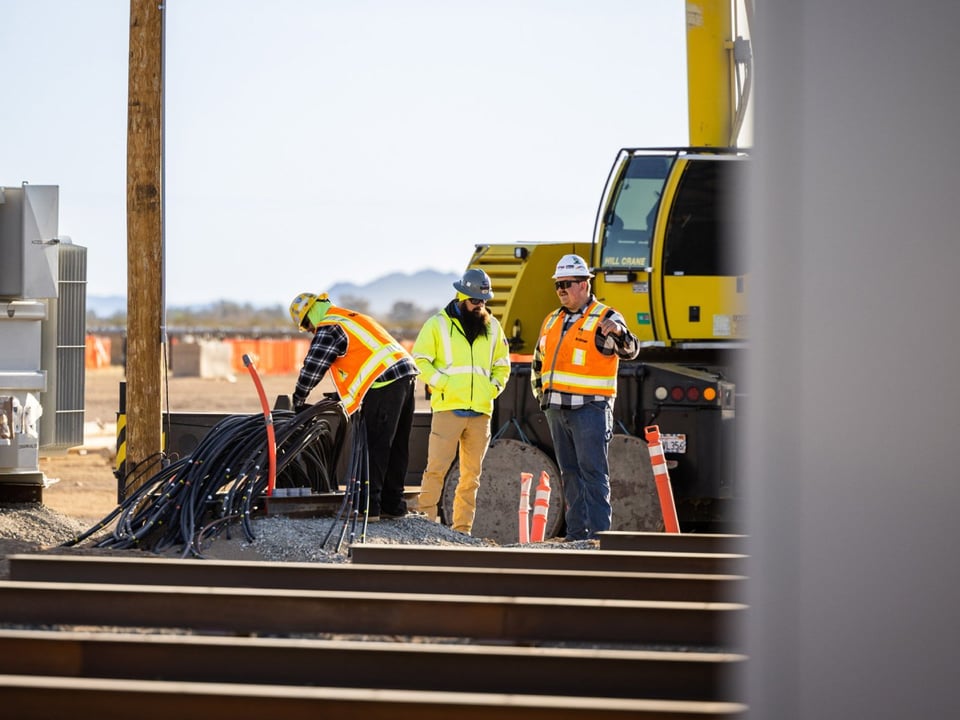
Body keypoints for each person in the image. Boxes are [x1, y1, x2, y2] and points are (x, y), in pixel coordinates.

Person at [530, 254, 639, 541]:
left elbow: (631, 350)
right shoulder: (552, 320)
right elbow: (538, 362)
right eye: (558, 285)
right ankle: (576, 536)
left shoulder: (607, 318)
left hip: (590, 409)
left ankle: (600, 537)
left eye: (567, 283)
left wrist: (620, 333)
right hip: (557, 409)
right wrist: (543, 398)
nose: (561, 290)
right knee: (569, 474)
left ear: (584, 284)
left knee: (593, 474)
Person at [289, 292, 418, 521]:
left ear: (310, 316)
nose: (311, 331)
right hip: (405, 375)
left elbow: (313, 366)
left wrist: (298, 398)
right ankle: (392, 505)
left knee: (374, 446)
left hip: (385, 382)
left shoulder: (329, 326)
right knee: (396, 445)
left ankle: (367, 508)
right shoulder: (350, 318)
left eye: (308, 327)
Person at [412, 269, 511, 535]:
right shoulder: (438, 324)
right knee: (436, 470)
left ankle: (462, 531)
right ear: (462, 295)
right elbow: (419, 359)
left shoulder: (493, 327)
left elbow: (503, 365)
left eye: (484, 300)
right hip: (447, 409)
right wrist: (442, 383)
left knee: (471, 479)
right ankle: (425, 527)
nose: (481, 305)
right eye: (476, 300)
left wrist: (492, 389)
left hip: (480, 412)